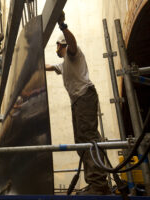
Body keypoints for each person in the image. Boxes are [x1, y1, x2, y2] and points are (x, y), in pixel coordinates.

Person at [45, 12, 110, 195]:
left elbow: (72, 43)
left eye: (56, 46)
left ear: (60, 44)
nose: (55, 49)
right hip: (77, 101)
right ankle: (95, 180)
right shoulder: (64, 63)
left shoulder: (73, 53)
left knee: (88, 137)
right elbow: (50, 67)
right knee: (81, 140)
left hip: (85, 96)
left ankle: (99, 184)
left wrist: (62, 25)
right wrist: (33, 62)